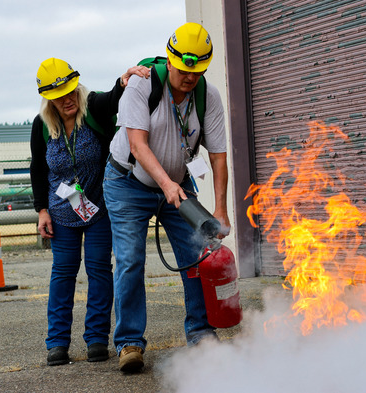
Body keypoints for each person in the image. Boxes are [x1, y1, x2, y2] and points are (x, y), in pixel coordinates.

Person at [103, 22, 231, 372]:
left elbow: (218, 157)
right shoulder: (143, 85)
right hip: (128, 182)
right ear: (170, 59)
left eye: (197, 70)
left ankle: (201, 333)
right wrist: (167, 184)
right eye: (184, 69)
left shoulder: (208, 96)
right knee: (130, 258)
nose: (190, 77)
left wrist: (220, 209)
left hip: (176, 183)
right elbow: (137, 145)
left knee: (197, 252)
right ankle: (129, 342)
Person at [30, 58, 150, 366]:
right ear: (48, 98)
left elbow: (112, 101)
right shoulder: (41, 126)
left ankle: (96, 340)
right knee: (62, 275)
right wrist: (41, 210)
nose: (68, 100)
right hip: (61, 212)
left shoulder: (93, 109)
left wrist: (123, 81)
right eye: (59, 96)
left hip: (99, 209)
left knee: (99, 272)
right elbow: (38, 170)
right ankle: (57, 343)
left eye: (71, 91)